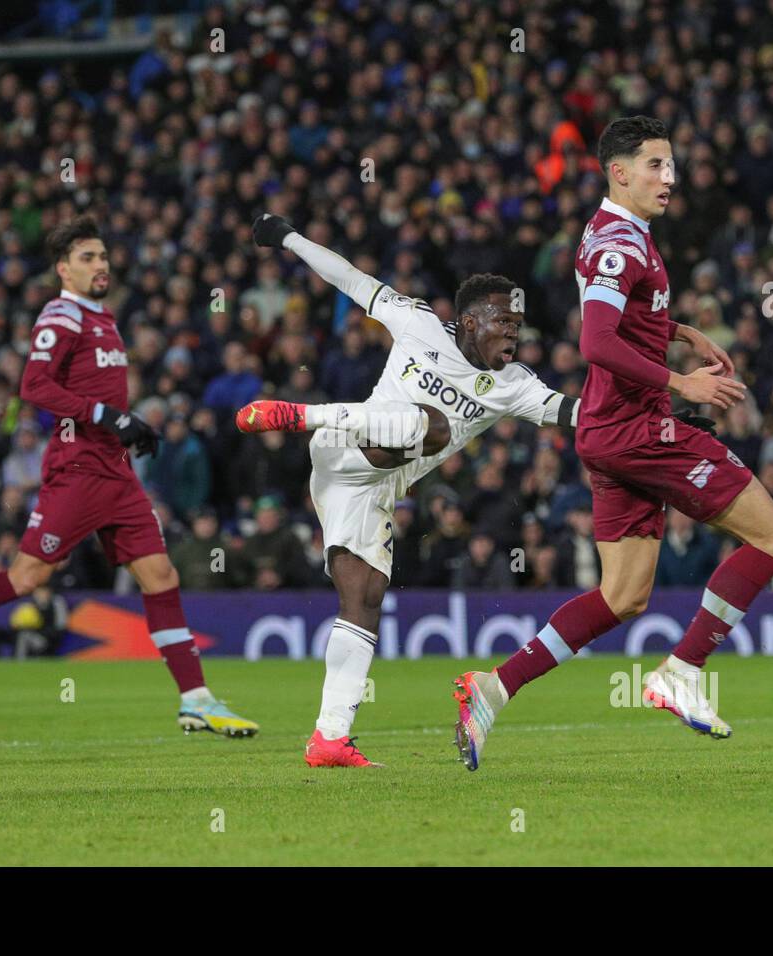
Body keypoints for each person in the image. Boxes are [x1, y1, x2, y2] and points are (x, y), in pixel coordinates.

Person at [451, 116, 773, 770]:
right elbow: (595, 341)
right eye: (656, 166)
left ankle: (494, 686)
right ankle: (682, 671)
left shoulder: (616, 231)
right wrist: (681, 384)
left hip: (609, 432)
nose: (670, 178)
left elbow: (626, 320)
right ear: (619, 171)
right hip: (640, 430)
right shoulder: (620, 243)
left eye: (671, 165)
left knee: (623, 596)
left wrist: (683, 330)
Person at [0, 216, 259, 737]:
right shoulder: (60, 316)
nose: (101, 265)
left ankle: (195, 699)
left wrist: (129, 428)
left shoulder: (104, 319)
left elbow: (100, 397)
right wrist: (110, 419)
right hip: (77, 470)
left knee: (161, 577)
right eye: (88, 257)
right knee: (26, 578)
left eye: (104, 256)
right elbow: (35, 386)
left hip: (117, 472)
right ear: (64, 268)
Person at [240, 213, 580, 767]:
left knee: (365, 596)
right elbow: (350, 278)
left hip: (372, 488)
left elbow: (575, 413)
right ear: (468, 321)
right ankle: (294, 412)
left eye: (518, 324)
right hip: (342, 442)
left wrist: (663, 413)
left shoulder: (514, 386)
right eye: (502, 320)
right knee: (435, 426)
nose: (513, 331)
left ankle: (329, 738)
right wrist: (287, 237)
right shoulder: (419, 323)